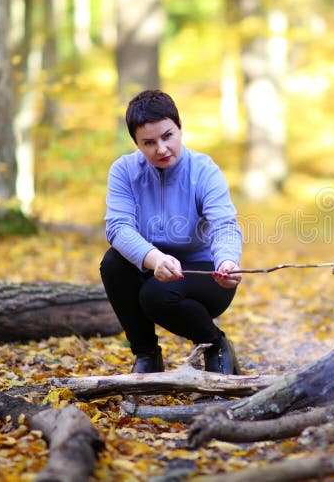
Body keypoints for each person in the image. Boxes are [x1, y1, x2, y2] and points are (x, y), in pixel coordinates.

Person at [99, 89, 243, 374]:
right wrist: (153, 258)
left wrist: (227, 260)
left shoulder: (204, 170)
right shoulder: (124, 171)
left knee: (156, 293)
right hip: (153, 267)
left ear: (180, 129)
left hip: (206, 275)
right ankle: (146, 355)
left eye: (168, 136)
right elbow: (118, 227)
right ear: (136, 144)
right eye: (149, 142)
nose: (161, 149)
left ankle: (214, 344)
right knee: (113, 263)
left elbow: (223, 223)